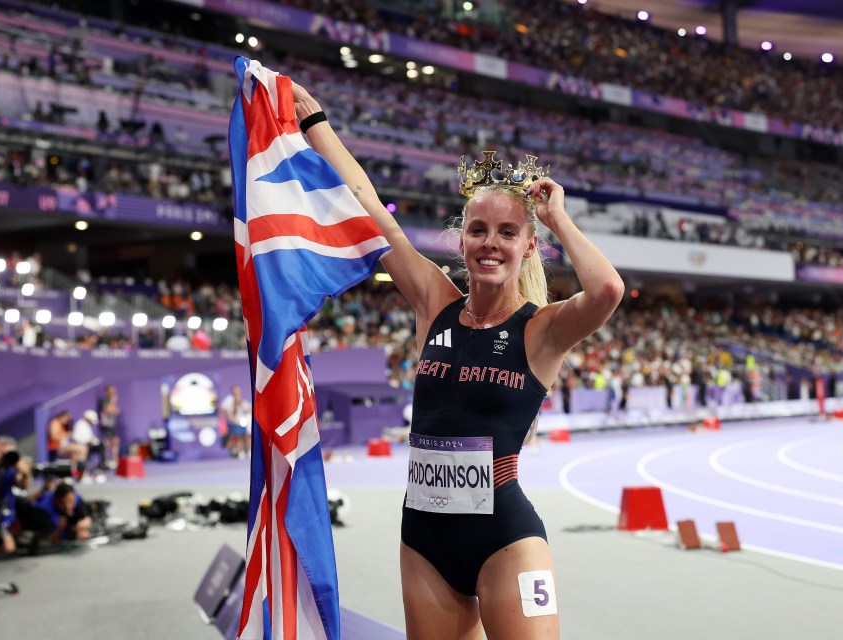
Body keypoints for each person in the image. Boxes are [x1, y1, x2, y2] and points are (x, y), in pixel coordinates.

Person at [291, 82, 624, 638]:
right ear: (462, 241)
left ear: (527, 247)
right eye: (478, 230)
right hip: (423, 536)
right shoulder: (435, 303)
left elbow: (607, 291)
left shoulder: (541, 330)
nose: (490, 243)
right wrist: (316, 122)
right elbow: (370, 207)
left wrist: (558, 219)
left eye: (507, 232)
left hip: (505, 538)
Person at [72, 409, 107, 481]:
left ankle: (101, 465)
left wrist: (94, 441)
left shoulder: (87, 426)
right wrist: (87, 441)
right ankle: (82, 473)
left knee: (101, 446)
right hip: (82, 446)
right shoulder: (79, 424)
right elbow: (76, 438)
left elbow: (91, 437)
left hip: (88, 445)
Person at [219, 385, 252, 458]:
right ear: (233, 391)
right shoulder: (228, 399)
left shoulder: (242, 399)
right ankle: (240, 452)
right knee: (237, 437)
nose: (238, 392)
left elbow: (246, 408)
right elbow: (223, 410)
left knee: (246, 436)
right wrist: (229, 416)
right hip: (233, 422)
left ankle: (249, 451)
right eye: (236, 390)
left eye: (239, 390)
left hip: (242, 422)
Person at [97, 385, 121, 469]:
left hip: (112, 425)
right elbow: (107, 410)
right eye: (111, 391)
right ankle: (106, 462)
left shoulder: (110, 401)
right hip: (106, 425)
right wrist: (113, 401)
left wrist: (112, 408)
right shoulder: (103, 400)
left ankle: (115, 462)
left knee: (115, 442)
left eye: (114, 392)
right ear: (107, 392)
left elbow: (117, 411)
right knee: (106, 443)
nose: (113, 393)